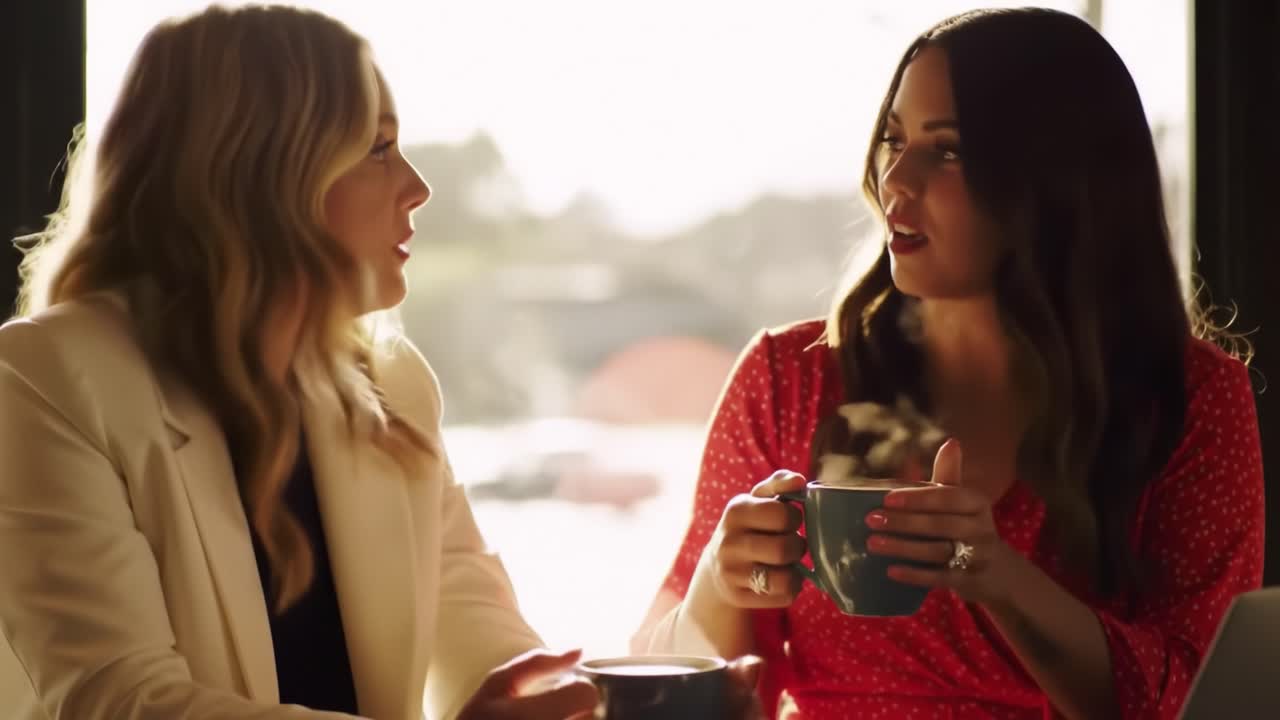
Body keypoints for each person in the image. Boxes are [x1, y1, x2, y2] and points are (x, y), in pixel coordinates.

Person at [635, 8, 1264, 720]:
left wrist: (991, 571)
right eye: (893, 140)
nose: (895, 180)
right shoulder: (789, 379)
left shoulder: (1190, 400)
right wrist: (719, 581)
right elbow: (664, 690)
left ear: (1057, 180)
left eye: (948, 151)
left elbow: (1203, 699)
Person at [0, 5, 599, 719]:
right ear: (263, 175)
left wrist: (598, 702)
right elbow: (118, 698)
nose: (418, 186)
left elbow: (478, 629)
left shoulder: (392, 384)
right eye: (378, 149)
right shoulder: (44, 379)